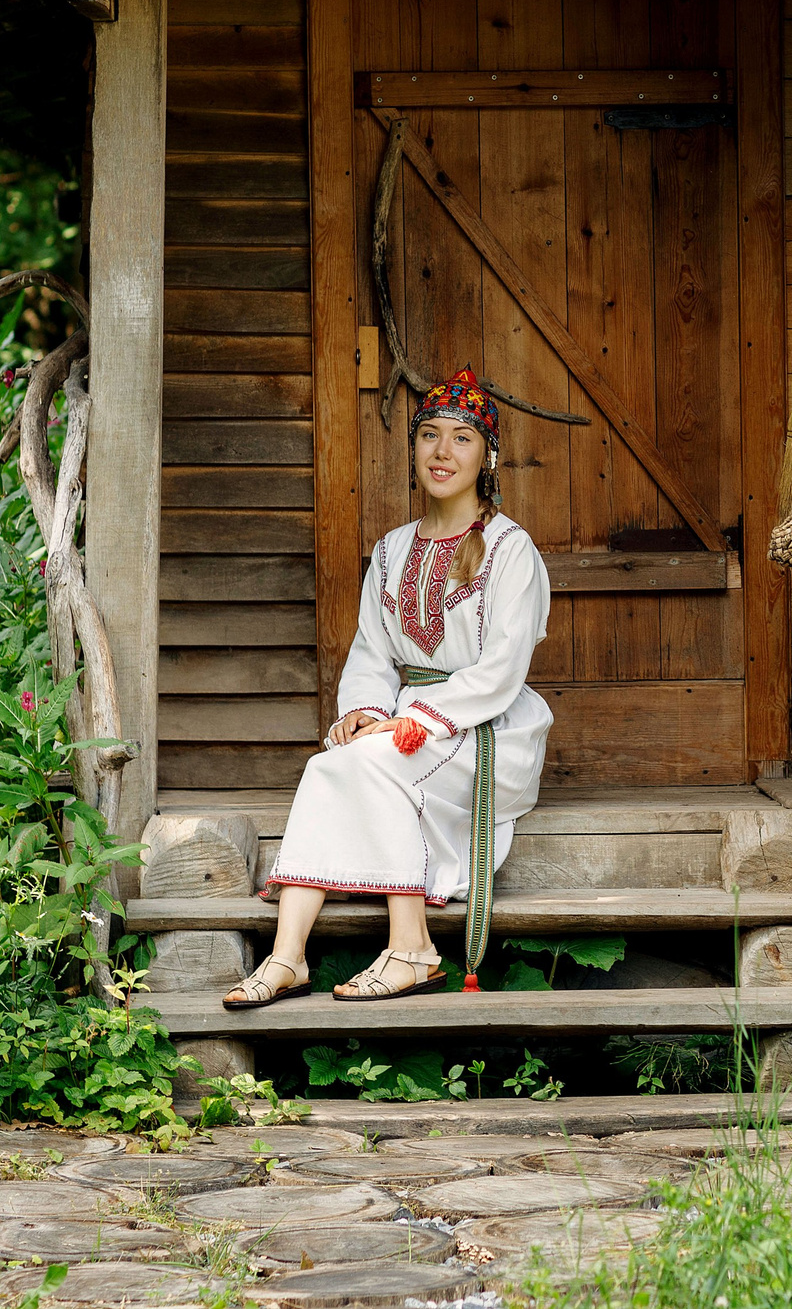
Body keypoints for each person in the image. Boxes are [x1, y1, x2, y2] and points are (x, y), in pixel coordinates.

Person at [222, 368, 552, 1007]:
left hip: (487, 727)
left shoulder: (512, 550)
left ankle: (414, 950)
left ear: (487, 456)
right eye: (429, 436)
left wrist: (415, 719)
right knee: (331, 763)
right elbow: (372, 652)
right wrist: (363, 712)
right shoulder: (393, 548)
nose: (442, 452)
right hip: (408, 721)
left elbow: (502, 669)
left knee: (380, 761)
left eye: (461, 439)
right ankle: (287, 957)